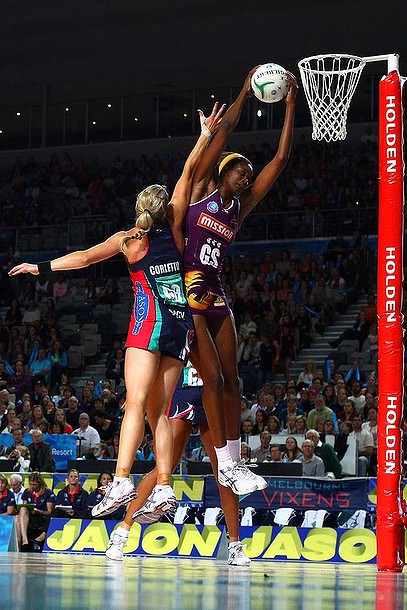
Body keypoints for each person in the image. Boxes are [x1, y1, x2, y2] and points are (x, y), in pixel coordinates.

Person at [9, 103, 228, 515]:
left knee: (135, 403)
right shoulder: (175, 225)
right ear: (164, 208)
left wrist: (40, 267)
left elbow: (83, 258)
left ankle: (122, 479)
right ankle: (164, 486)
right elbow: (189, 172)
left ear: (138, 209)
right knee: (159, 411)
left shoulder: (129, 240)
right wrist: (204, 135)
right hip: (180, 325)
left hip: (150, 323)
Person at [178, 67, 297, 494]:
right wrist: (246, 91)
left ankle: (233, 461)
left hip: (215, 290)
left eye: (248, 173)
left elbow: (280, 161)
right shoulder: (200, 191)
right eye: (241, 171)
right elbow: (224, 131)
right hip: (185, 290)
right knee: (212, 378)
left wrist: (290, 107)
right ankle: (225, 462)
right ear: (223, 172)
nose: (247, 176)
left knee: (234, 380)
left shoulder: (238, 209)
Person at [106, 362, 250, 566]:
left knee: (225, 473)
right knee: (162, 469)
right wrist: (141, 395)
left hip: (212, 391)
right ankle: (121, 534)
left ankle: (235, 545)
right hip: (182, 390)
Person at [15, 471, 55, 551]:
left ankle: (22, 544)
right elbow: (24, 506)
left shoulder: (48, 492)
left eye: (34, 484)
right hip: (29, 517)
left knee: (19, 519)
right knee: (19, 514)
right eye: (31, 484)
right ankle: (24, 541)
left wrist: (38, 511)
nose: (32, 487)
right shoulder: (27, 492)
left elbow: (49, 512)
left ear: (40, 483)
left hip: (41, 517)